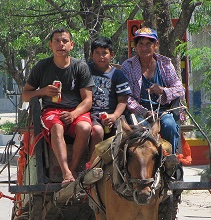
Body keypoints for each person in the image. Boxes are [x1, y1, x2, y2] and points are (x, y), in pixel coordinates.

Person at [22, 27, 94, 187]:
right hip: (52, 111)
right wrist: (42, 91)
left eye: (65, 41)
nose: (61, 44)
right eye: (57, 41)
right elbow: (26, 95)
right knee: (56, 127)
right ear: (50, 45)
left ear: (72, 45)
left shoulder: (80, 67)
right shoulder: (42, 67)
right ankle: (65, 172)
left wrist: (74, 114)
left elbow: (88, 100)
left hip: (76, 110)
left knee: (84, 128)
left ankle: (73, 170)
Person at [121, 27, 185, 154]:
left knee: (170, 126)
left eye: (148, 44)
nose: (144, 48)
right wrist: (144, 112)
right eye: (141, 44)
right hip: (138, 114)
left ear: (156, 45)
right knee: (142, 132)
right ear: (135, 47)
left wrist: (163, 91)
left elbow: (180, 89)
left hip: (163, 112)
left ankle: (169, 161)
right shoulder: (128, 66)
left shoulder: (165, 64)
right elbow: (126, 97)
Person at [87, 37, 131, 165]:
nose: (101, 57)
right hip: (92, 114)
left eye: (104, 53)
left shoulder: (118, 75)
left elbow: (123, 100)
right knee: (97, 131)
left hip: (113, 114)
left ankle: (121, 165)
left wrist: (114, 116)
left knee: (124, 133)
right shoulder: (86, 71)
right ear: (91, 55)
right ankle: (92, 164)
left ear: (111, 55)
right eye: (97, 53)